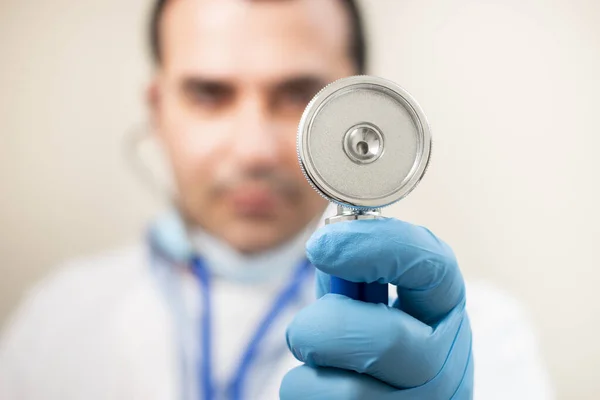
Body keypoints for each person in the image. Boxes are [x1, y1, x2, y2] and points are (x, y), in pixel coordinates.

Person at [0, 0, 554, 399]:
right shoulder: (54, 320)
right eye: (208, 94)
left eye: (298, 94)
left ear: (355, 108)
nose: (254, 150)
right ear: (156, 109)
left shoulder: (471, 341)